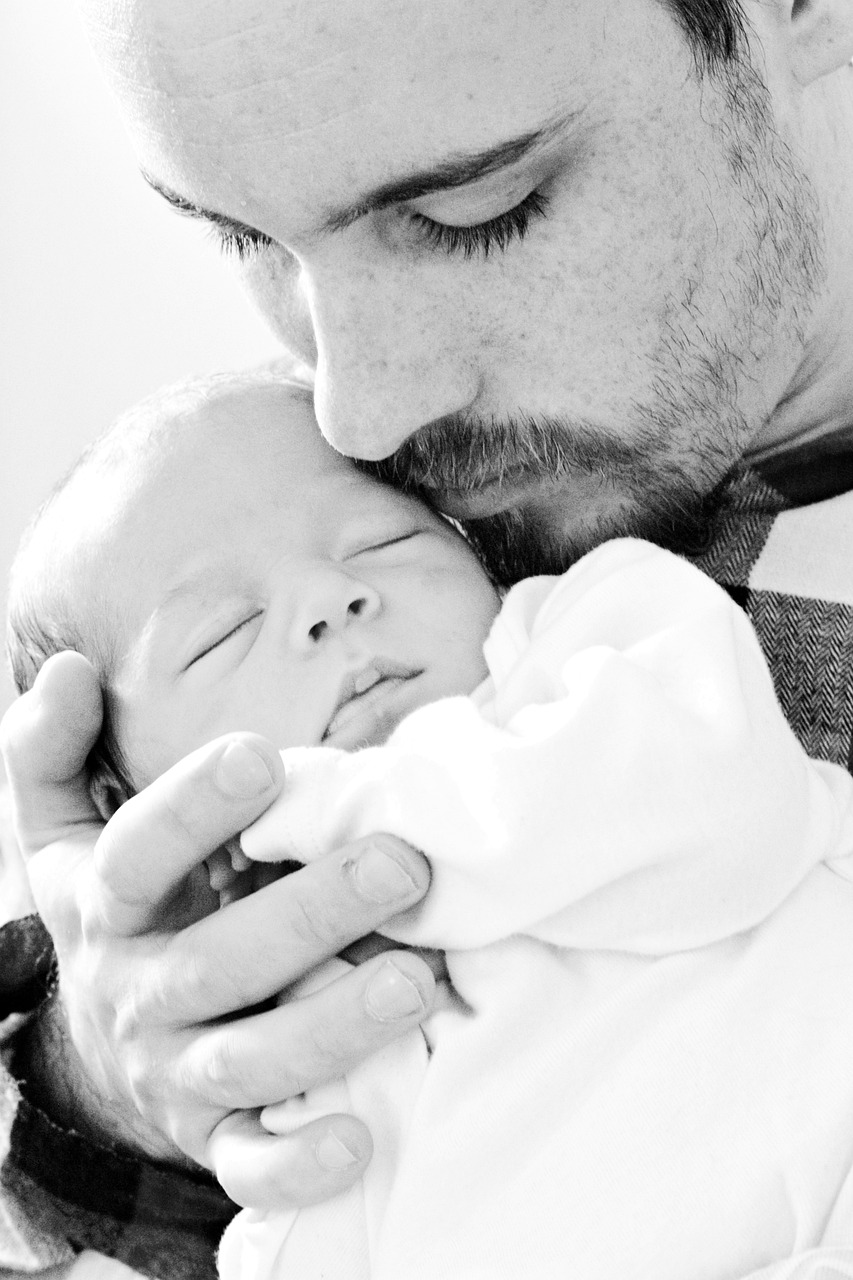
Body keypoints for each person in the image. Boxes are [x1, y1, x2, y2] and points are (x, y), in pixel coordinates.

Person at [3, 1, 853, 1276]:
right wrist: (124, 1063)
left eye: (475, 213)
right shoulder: (266, 506)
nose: (357, 409)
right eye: (243, 235)